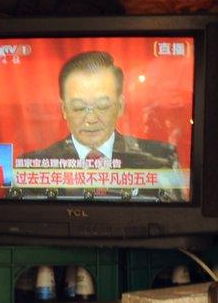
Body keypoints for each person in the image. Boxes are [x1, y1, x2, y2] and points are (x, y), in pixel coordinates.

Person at [19, 51, 182, 200]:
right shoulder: (31, 166)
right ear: (64, 110)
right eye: (79, 108)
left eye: (102, 106)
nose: (91, 119)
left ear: (120, 106)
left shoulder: (160, 161)